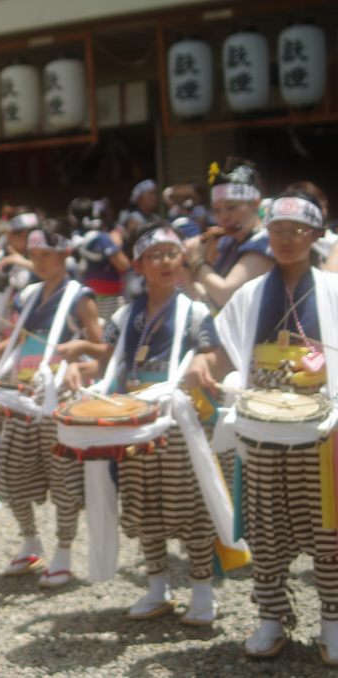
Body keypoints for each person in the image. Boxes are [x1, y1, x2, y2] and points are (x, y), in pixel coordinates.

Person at [186, 192, 338, 662]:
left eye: (297, 231)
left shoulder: (333, 291)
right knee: (268, 533)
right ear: (266, 235)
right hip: (262, 430)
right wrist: (200, 362)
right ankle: (272, 617)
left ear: (314, 236)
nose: (286, 240)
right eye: (277, 231)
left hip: (321, 433)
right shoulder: (250, 294)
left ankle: (332, 621)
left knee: (330, 533)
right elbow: (223, 349)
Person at [65, 225, 223, 625]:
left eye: (172, 253)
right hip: (132, 418)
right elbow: (107, 359)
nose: (167, 261)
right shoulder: (124, 313)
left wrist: (203, 362)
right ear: (138, 265)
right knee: (142, 505)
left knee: (189, 507)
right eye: (156, 255)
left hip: (177, 419)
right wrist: (81, 360)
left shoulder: (196, 310)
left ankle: (202, 590)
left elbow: (210, 354)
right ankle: (158, 585)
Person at [0, 227, 103, 588]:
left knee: (63, 480)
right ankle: (30, 540)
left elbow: (102, 348)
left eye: (46, 254)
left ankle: (64, 550)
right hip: (24, 395)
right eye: (36, 254)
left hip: (59, 397)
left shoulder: (79, 297)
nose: (39, 261)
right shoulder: (28, 295)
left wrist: (79, 354)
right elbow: (16, 342)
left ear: (63, 255)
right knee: (12, 473)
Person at [184, 158, 273, 310]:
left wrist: (198, 262)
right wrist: (186, 266)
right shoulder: (229, 242)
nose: (223, 217)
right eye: (217, 210)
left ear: (256, 204)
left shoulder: (266, 241)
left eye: (231, 207)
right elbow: (206, 298)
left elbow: (226, 295)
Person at [71, 197, 130, 321]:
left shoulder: (76, 235)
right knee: (109, 331)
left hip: (87, 291)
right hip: (108, 295)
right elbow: (122, 264)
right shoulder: (101, 238)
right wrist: (117, 243)